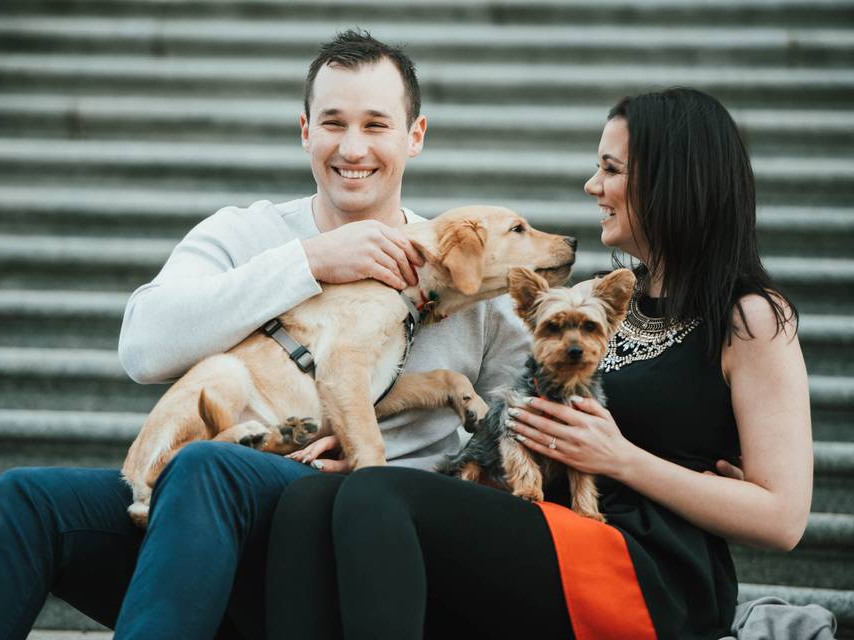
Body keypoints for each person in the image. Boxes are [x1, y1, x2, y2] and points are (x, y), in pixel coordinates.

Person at [0, 30, 535, 640]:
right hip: (209, 517)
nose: (352, 147)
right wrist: (309, 263)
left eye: (376, 125)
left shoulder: (467, 261)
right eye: (333, 123)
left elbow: (519, 426)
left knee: (207, 466)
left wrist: (406, 483)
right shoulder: (246, 234)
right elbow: (144, 346)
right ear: (305, 130)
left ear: (414, 136)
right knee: (30, 499)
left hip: (355, 538)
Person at [264, 88, 813, 640]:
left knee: (376, 492)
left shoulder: (752, 319)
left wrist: (621, 458)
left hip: (644, 566)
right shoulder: (607, 301)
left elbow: (782, 519)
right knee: (311, 498)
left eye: (610, 169)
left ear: (673, 180)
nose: (592, 185)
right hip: (550, 525)